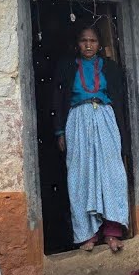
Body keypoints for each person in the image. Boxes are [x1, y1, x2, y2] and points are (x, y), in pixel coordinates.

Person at [54, 26, 130, 253]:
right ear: (77, 43)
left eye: (93, 41)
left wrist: (123, 133)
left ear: (99, 44)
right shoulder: (66, 67)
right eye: (84, 40)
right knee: (81, 176)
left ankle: (112, 233)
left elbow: (121, 101)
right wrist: (59, 131)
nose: (88, 45)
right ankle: (87, 235)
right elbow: (57, 99)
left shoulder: (111, 68)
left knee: (112, 173)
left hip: (105, 119)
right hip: (77, 120)